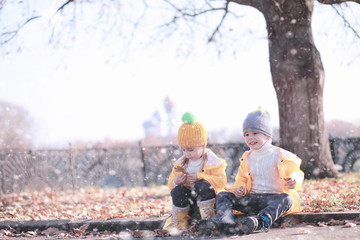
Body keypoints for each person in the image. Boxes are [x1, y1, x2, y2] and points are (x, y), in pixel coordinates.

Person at [198, 107, 304, 235]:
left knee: (286, 199)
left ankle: (260, 221)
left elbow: (295, 171)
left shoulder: (280, 155)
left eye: (255, 133)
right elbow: (241, 179)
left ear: (267, 135)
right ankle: (225, 221)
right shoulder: (247, 157)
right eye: (246, 134)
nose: (250, 138)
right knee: (223, 195)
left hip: (272, 199)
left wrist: (294, 180)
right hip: (251, 199)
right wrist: (239, 189)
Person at [163, 112, 227, 232]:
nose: (187, 153)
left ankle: (208, 220)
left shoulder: (213, 162)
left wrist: (200, 176)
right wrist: (176, 181)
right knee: (178, 191)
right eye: (184, 150)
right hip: (190, 205)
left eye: (191, 150)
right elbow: (171, 185)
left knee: (202, 185)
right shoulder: (181, 163)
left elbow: (221, 182)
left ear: (203, 146)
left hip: (208, 202)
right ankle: (180, 222)